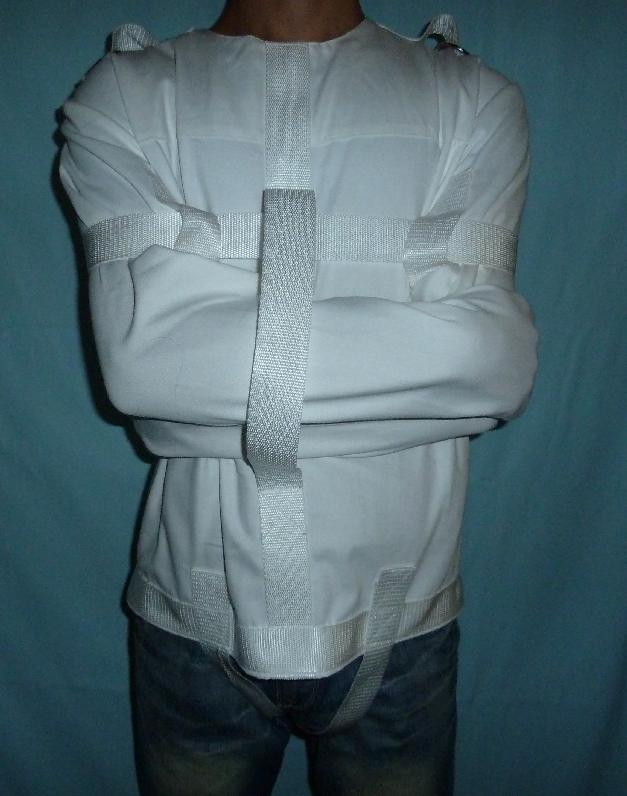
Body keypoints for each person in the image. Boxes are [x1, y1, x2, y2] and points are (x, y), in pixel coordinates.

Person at [58, 0, 538, 793]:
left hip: (404, 627)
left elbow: (497, 365)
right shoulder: (124, 94)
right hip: (192, 618)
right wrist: (426, 380)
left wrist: (205, 398)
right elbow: (143, 367)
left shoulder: (473, 100)